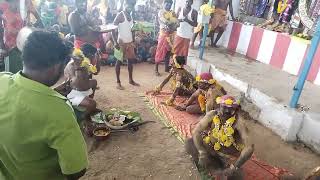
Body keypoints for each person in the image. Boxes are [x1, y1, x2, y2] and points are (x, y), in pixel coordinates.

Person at [0, 31, 88, 179]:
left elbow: (25, 99)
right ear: (56, 67)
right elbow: (76, 171)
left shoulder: (2, 80)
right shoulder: (59, 111)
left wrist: (50, 93)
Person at [185, 95, 254, 179]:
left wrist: (234, 166)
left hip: (226, 159)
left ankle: (218, 168)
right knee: (190, 143)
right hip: (211, 149)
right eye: (224, 107)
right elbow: (196, 131)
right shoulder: (212, 114)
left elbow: (249, 147)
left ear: (235, 110)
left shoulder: (239, 123)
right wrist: (202, 152)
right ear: (219, 106)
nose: (227, 111)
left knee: (236, 176)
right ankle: (208, 166)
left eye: (230, 109)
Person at [113, 0, 139, 90]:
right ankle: (118, 82)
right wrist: (115, 42)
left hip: (129, 42)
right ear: (124, 4)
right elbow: (113, 28)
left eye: (132, 5)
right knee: (118, 62)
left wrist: (133, 40)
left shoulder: (131, 15)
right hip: (121, 42)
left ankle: (131, 80)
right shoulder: (120, 15)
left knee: (130, 61)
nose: (130, 7)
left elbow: (133, 29)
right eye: (128, 5)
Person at [66, 48, 98, 116]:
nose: (81, 61)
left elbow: (95, 72)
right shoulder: (71, 66)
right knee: (93, 104)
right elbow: (76, 84)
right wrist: (78, 69)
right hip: (73, 92)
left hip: (81, 88)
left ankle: (87, 101)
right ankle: (81, 118)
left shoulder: (83, 63)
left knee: (94, 82)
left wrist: (88, 69)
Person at [0, 0, 29, 73]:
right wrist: (2, 47)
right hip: (9, 47)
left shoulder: (25, 2)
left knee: (24, 71)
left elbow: (36, 19)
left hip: (24, 45)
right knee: (11, 72)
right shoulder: (2, 4)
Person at [154, 0, 178, 76]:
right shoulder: (161, 12)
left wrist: (174, 25)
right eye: (167, 4)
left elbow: (177, 23)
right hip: (164, 34)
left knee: (168, 51)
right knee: (160, 51)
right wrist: (172, 24)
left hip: (171, 34)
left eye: (170, 4)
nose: (169, 5)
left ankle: (166, 67)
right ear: (164, 4)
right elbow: (163, 21)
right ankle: (156, 69)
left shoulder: (173, 13)